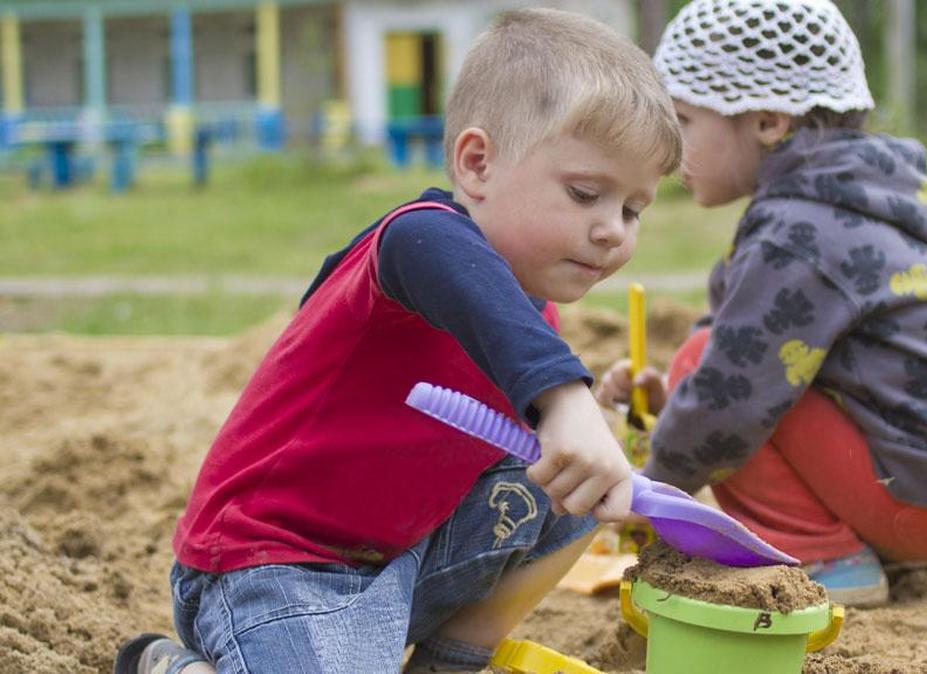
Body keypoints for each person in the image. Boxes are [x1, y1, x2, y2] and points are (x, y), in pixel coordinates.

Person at [114, 9, 681, 674]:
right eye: (586, 193)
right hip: (269, 568)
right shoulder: (419, 238)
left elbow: (529, 400)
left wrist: (604, 422)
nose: (612, 229)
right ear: (477, 163)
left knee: (570, 496)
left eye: (632, 209)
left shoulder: (527, 315)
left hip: (396, 566)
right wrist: (564, 400)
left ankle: (449, 659)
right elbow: (436, 258)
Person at [598, 0, 927, 607]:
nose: (668, 149)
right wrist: (674, 405)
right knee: (709, 365)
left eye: (683, 122)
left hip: (919, 496)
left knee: (708, 368)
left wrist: (648, 486)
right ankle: (836, 537)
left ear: (768, 120)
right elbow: (744, 338)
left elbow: (730, 395)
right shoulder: (842, 197)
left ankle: (826, 557)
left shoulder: (796, 232)